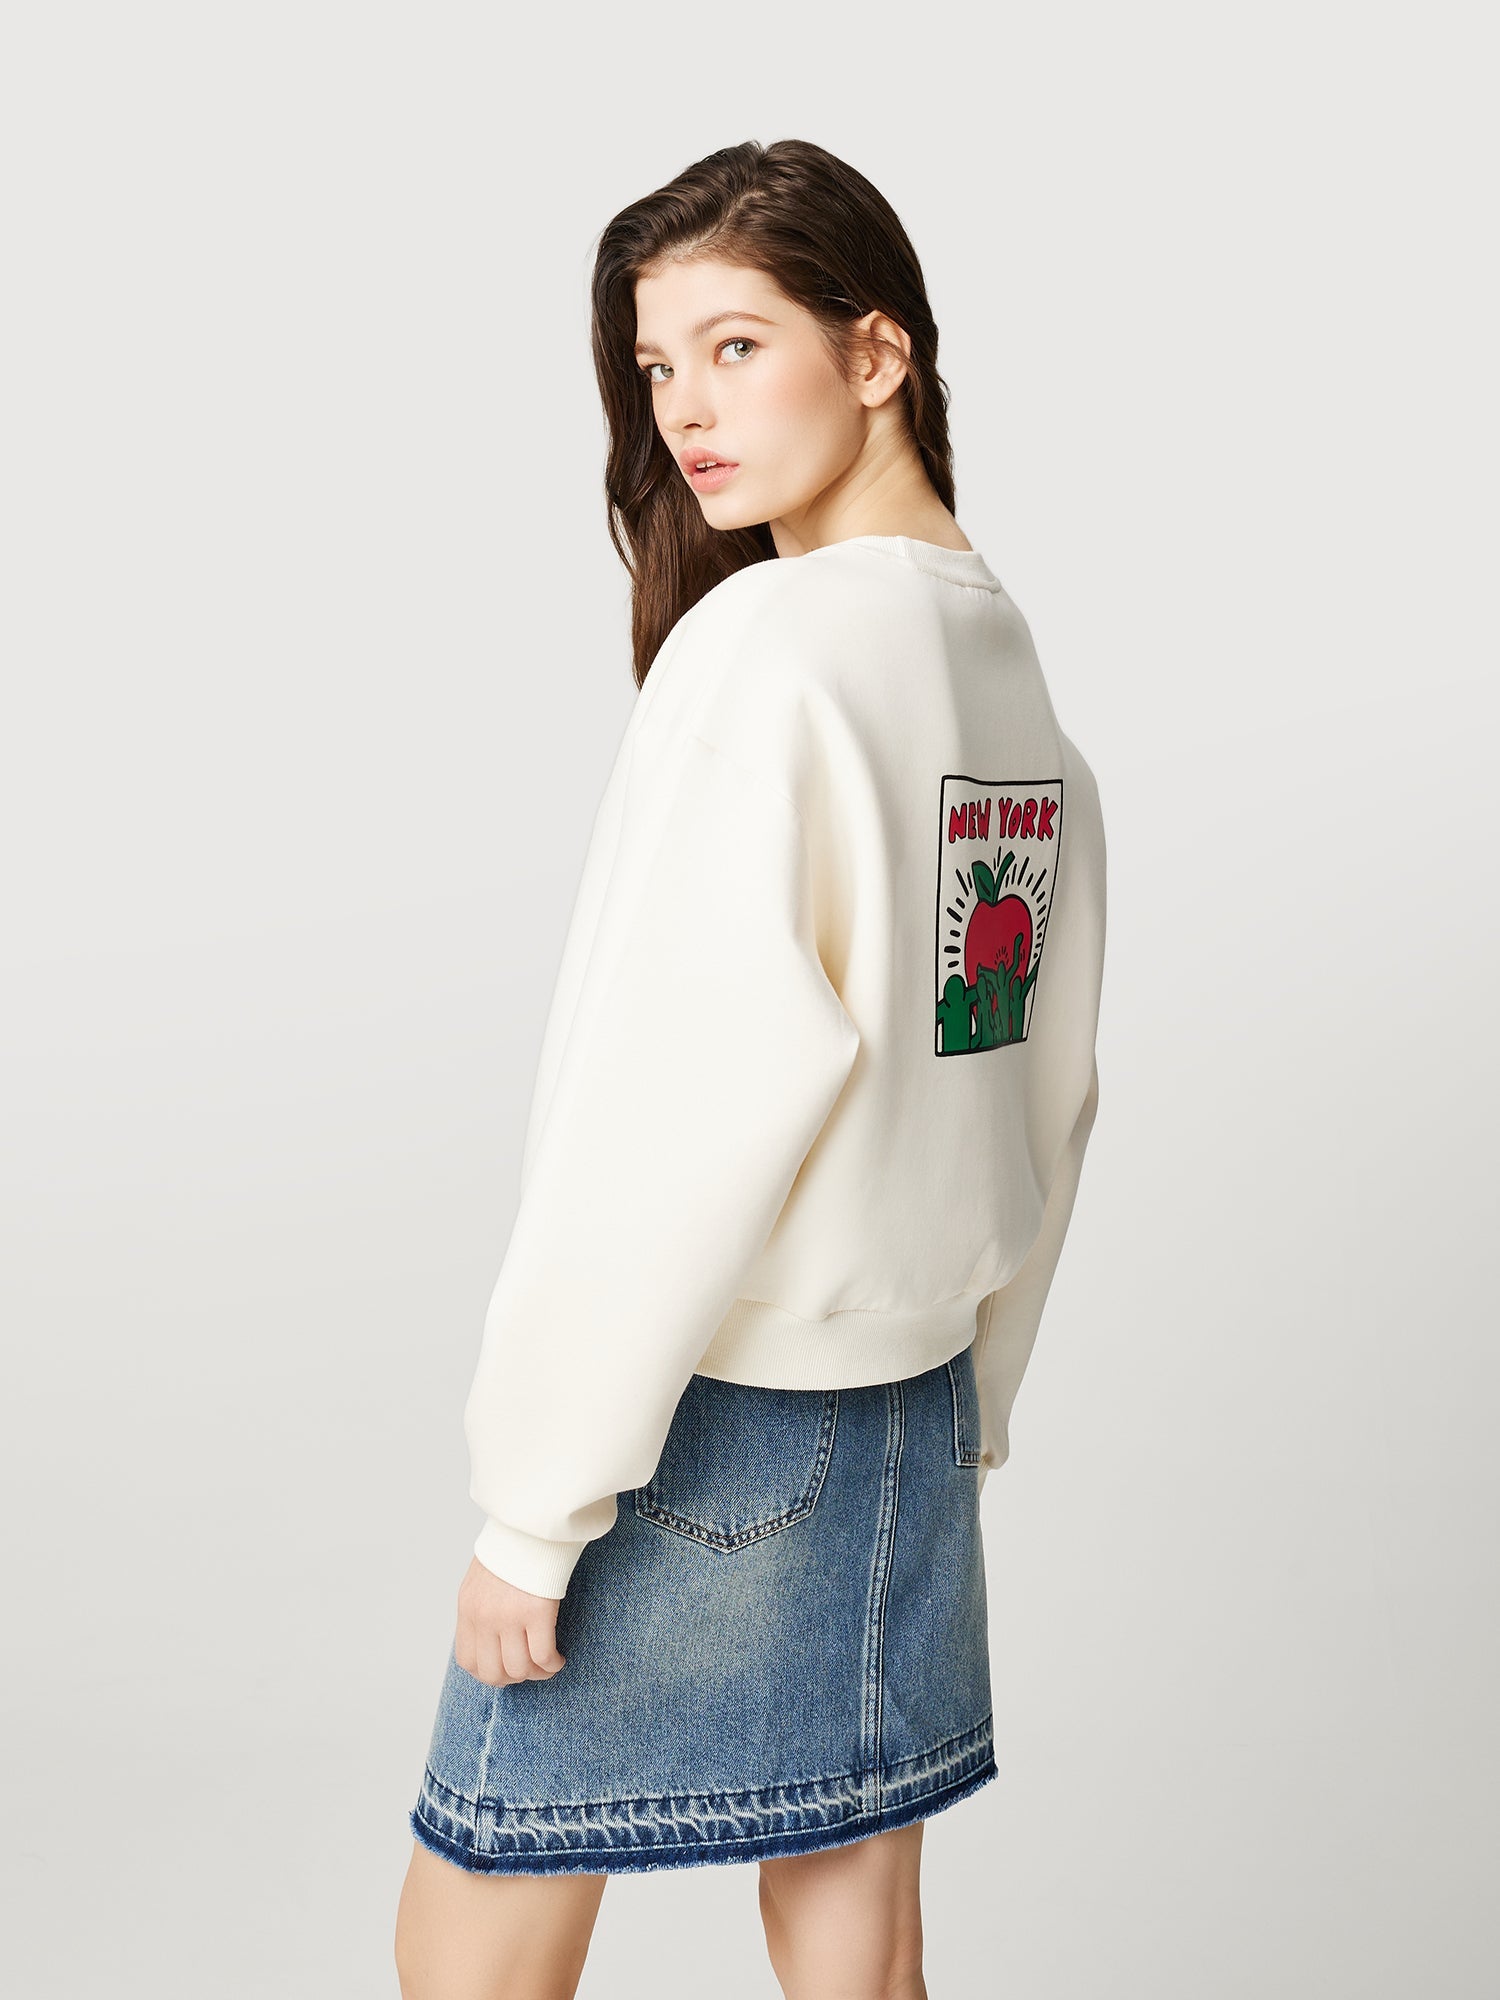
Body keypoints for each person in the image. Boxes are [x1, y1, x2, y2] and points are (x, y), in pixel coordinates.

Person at [395, 137, 1106, 2000]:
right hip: (909, 1412)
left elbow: (664, 1117)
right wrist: (975, 1399)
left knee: (479, 1926)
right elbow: (1046, 1083)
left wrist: (534, 1508)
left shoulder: (771, 649)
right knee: (859, 1940)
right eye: (657, 367)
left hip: (712, 1429)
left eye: (736, 346)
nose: (686, 412)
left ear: (877, 353)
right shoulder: (1002, 664)